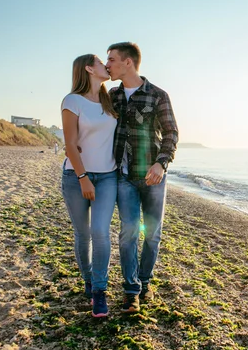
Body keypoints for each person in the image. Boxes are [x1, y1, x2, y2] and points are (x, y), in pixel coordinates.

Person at [106, 42, 179, 313]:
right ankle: (131, 291)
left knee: (152, 236)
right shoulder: (112, 96)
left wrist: (161, 164)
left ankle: (144, 281)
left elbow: (171, 133)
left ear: (128, 62)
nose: (107, 65)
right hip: (123, 177)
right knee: (128, 234)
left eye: (111, 60)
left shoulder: (158, 95)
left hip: (153, 178)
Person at [60, 54, 118, 317]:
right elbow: (70, 144)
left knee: (101, 233)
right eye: (100, 61)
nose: (106, 66)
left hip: (108, 176)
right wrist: (83, 178)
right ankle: (88, 280)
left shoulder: (111, 99)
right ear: (88, 68)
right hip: (76, 176)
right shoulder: (72, 100)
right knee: (83, 234)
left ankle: (99, 290)